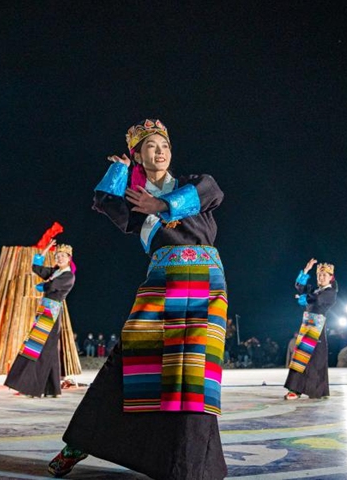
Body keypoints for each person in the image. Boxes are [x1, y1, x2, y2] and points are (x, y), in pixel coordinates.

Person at [48, 119, 228, 479]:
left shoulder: (192, 185)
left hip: (205, 287)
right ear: (137, 155)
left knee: (194, 374)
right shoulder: (133, 205)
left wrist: (159, 204)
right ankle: (82, 441)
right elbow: (104, 201)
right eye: (150, 146)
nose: (159, 152)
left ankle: (188, 465)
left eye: (164, 145)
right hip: (161, 283)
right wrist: (119, 171)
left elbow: (214, 190)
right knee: (132, 359)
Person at [5, 240, 76, 398]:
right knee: (48, 349)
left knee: (38, 347)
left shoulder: (68, 276)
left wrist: (43, 286)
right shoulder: (55, 272)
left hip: (51, 313)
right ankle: (52, 388)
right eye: (57, 256)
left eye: (62, 256)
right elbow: (36, 268)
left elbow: (51, 286)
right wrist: (46, 250)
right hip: (45, 311)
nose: (59, 258)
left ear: (69, 258)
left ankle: (31, 387)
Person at [285, 259, 338, 400]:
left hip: (317, 326)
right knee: (300, 357)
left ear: (331, 278)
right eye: (319, 275)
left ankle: (316, 390)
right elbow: (300, 287)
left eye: (324, 275)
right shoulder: (316, 290)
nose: (321, 277)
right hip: (307, 324)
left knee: (316, 360)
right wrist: (306, 270)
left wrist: (304, 298)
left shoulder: (330, 292)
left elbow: (317, 299)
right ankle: (296, 389)